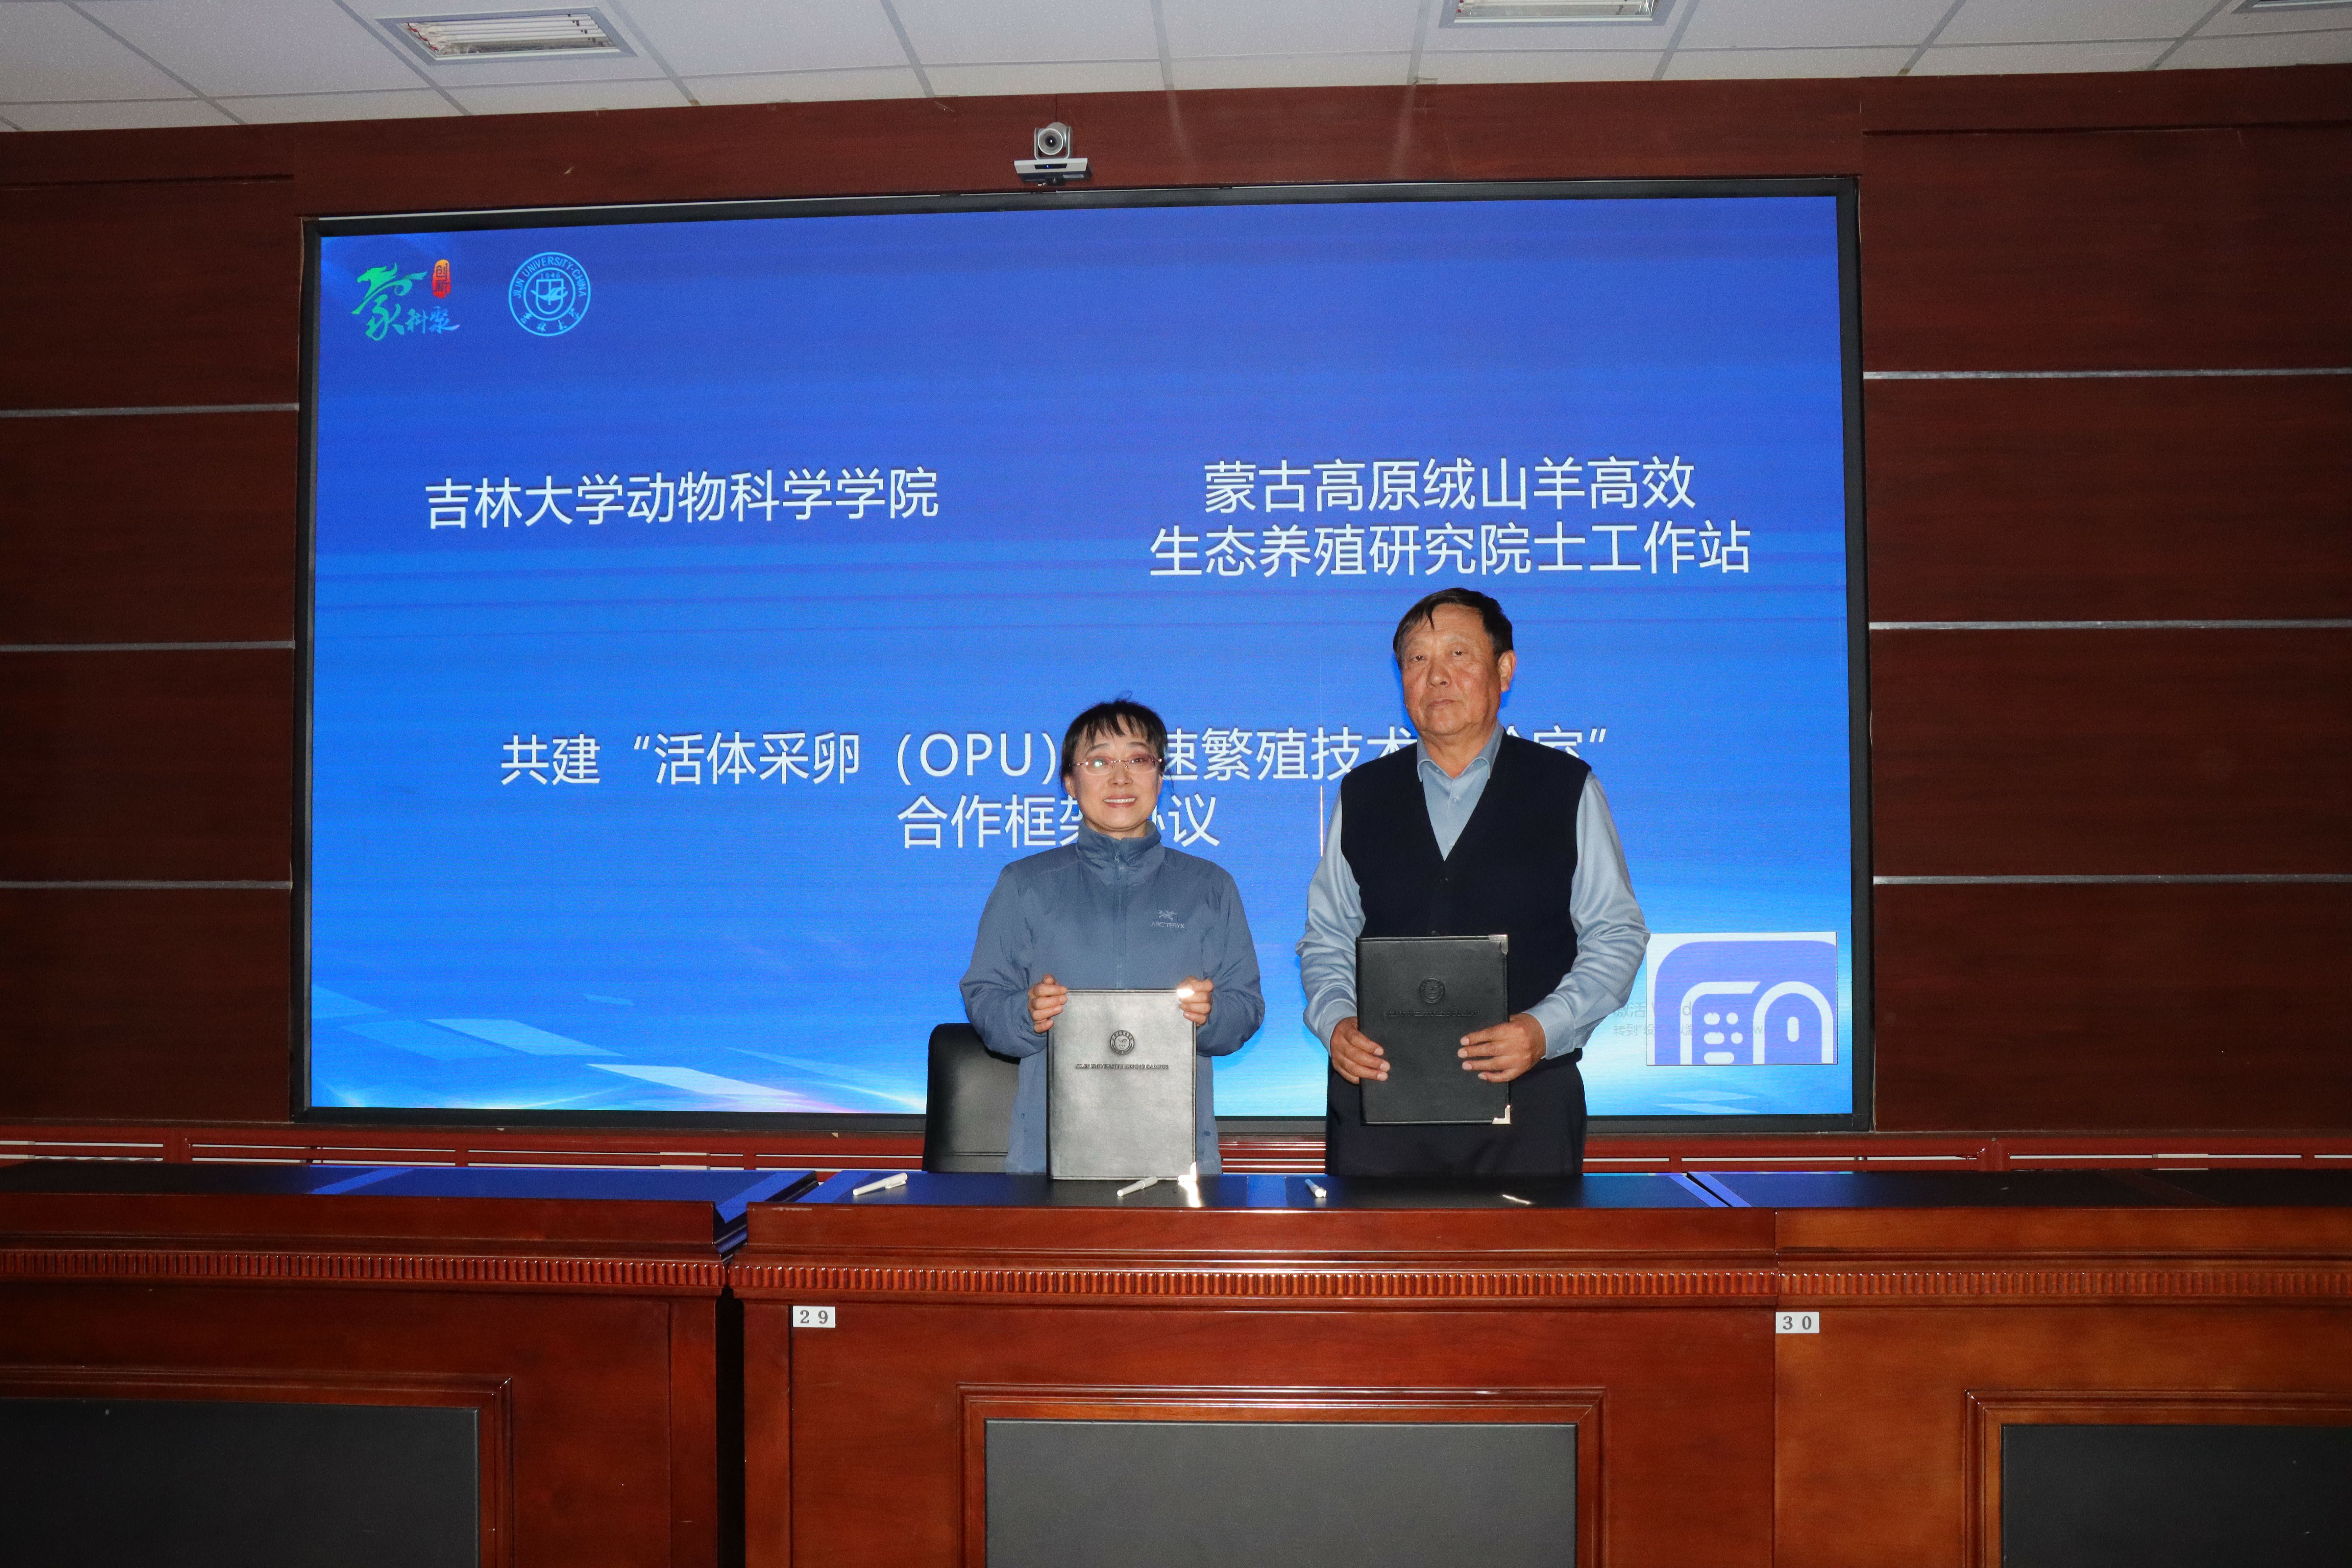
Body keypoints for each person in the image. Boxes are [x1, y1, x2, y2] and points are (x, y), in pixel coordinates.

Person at [1297, 588, 1647, 1176]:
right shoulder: (1363, 794)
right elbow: (1327, 937)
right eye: (1417, 659)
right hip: (1380, 1108)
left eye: (1458, 655)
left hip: (1528, 1108)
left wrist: (1544, 1030)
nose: (1436, 676)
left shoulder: (1566, 787)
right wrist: (1336, 1023)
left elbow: (1617, 935)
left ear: (1504, 670)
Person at [962, 698, 1265, 1175]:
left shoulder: (1209, 886)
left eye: (1138, 759)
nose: (1120, 778)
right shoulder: (1025, 885)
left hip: (1178, 1156)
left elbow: (1245, 1007)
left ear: (1160, 777)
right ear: (1070, 782)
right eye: (1099, 762)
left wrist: (1208, 1016)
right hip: (1051, 1157)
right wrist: (1027, 1013)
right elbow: (984, 996)